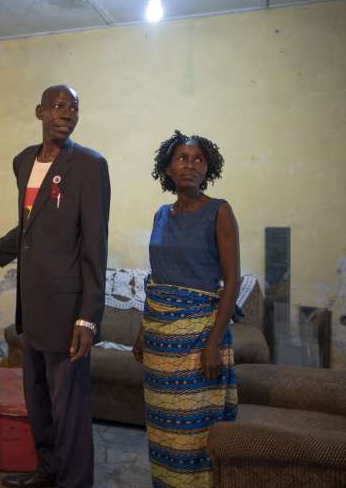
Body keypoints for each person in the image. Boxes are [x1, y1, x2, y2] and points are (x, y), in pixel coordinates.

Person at [0, 85, 110, 488]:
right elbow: (29, 227)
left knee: (69, 409)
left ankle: (74, 481)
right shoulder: (24, 161)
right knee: (39, 402)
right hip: (33, 307)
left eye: (74, 108)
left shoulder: (90, 166)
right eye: (59, 106)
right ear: (40, 112)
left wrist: (88, 318)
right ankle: (47, 473)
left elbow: (95, 245)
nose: (67, 113)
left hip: (68, 312)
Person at [132, 130, 239, 487]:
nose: (190, 165)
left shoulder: (219, 212)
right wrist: (143, 331)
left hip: (199, 341)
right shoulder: (161, 215)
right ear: (168, 167)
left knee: (195, 431)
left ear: (208, 168)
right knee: (163, 427)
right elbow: (157, 277)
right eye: (182, 158)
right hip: (160, 342)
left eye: (198, 160)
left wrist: (212, 344)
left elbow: (232, 281)